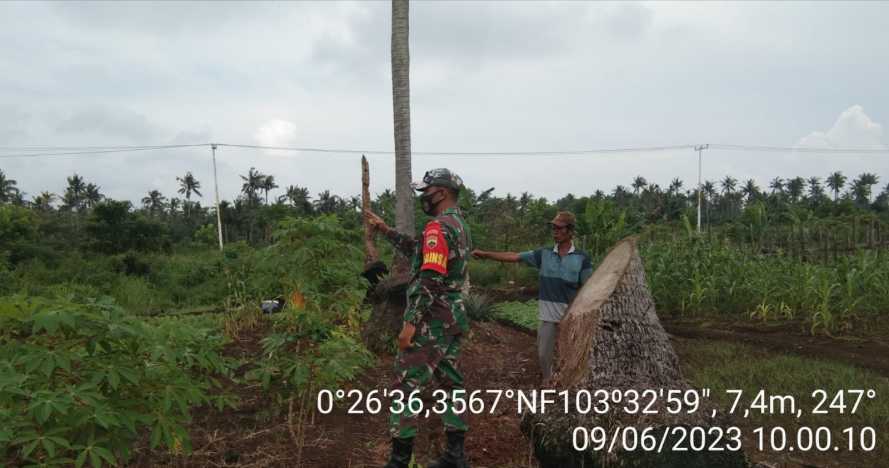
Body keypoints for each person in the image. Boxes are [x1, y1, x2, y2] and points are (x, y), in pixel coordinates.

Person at [365, 168, 473, 468]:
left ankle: (399, 462)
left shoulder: (438, 228)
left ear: (442, 192)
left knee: (405, 389)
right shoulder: (459, 225)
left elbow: (429, 278)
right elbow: (420, 252)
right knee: (452, 385)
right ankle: (455, 456)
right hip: (452, 318)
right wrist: (386, 230)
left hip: (431, 321)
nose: (423, 197)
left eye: (426, 191)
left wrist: (410, 324)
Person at [472, 211, 592, 381]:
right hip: (549, 317)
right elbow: (514, 256)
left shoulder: (582, 258)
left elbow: (588, 288)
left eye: (559, 228)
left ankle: (569, 385)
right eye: (553, 227)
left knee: (572, 356)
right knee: (544, 355)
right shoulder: (544, 254)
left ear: (570, 230)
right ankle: (548, 381)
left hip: (572, 317)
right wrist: (486, 254)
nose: (555, 231)